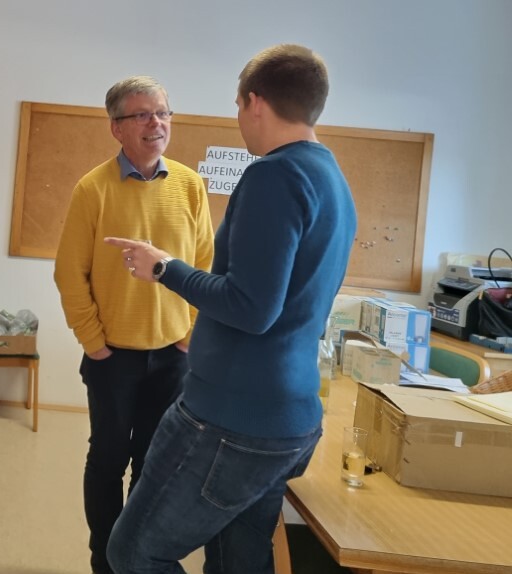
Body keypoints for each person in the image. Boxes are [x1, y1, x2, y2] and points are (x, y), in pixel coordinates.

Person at [104, 44, 357, 574]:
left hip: (232, 418)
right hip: (287, 415)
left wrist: (164, 268)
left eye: (238, 105)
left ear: (255, 102)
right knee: (236, 560)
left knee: (133, 552)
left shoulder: (274, 175)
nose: (239, 118)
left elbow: (251, 307)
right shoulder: (331, 176)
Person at [53, 76, 215, 574]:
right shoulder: (93, 188)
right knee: (107, 460)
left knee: (153, 464)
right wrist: (94, 342)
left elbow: (205, 265)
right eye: (142, 114)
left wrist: (189, 333)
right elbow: (69, 273)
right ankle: (104, 561)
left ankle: (137, 561)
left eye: (163, 112)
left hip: (172, 356)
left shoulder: (190, 185)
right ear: (117, 128)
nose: (156, 123)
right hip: (112, 357)